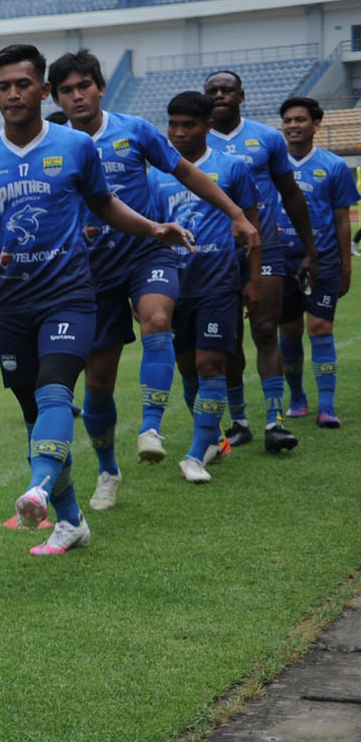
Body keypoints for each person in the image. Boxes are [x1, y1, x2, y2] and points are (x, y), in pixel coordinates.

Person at [0, 45, 192, 556]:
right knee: (34, 415)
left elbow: (104, 205)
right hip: (12, 303)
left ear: (41, 91)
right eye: (4, 86)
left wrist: (152, 229)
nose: (14, 93)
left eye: (23, 83)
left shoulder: (77, 147)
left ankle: (36, 488)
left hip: (69, 297)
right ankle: (71, 519)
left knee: (55, 392)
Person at [46, 51, 257, 504]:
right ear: (57, 97)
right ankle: (108, 471)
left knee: (157, 320)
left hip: (148, 253)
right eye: (67, 90)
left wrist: (236, 213)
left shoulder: (135, 130)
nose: (77, 95)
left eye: (84, 85)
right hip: (91, 271)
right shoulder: (53, 144)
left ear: (101, 88)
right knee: (98, 384)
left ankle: (150, 429)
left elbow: (185, 171)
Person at [203, 70, 317, 451]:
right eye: (213, 91)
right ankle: (239, 421)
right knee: (229, 341)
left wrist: (309, 249)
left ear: (241, 95)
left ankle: (274, 420)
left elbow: (291, 194)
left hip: (264, 248)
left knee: (266, 330)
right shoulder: (195, 142)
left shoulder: (266, 138)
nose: (220, 95)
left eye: (227, 90)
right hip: (216, 254)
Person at [153, 91, 261, 480]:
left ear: (207, 127)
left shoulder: (231, 167)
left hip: (219, 282)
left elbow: (251, 225)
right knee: (186, 367)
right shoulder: (156, 174)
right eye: (173, 125)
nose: (179, 133)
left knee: (209, 363)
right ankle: (214, 437)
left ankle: (196, 454)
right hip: (173, 285)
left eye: (189, 125)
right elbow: (149, 232)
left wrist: (253, 277)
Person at [275, 97, 357, 426]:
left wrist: (346, 267)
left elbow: (341, 219)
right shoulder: (273, 165)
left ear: (316, 125)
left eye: (300, 120)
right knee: (290, 330)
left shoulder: (333, 165)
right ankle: (297, 397)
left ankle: (327, 405)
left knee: (320, 327)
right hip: (283, 263)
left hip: (319, 262)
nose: (293, 125)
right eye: (288, 120)